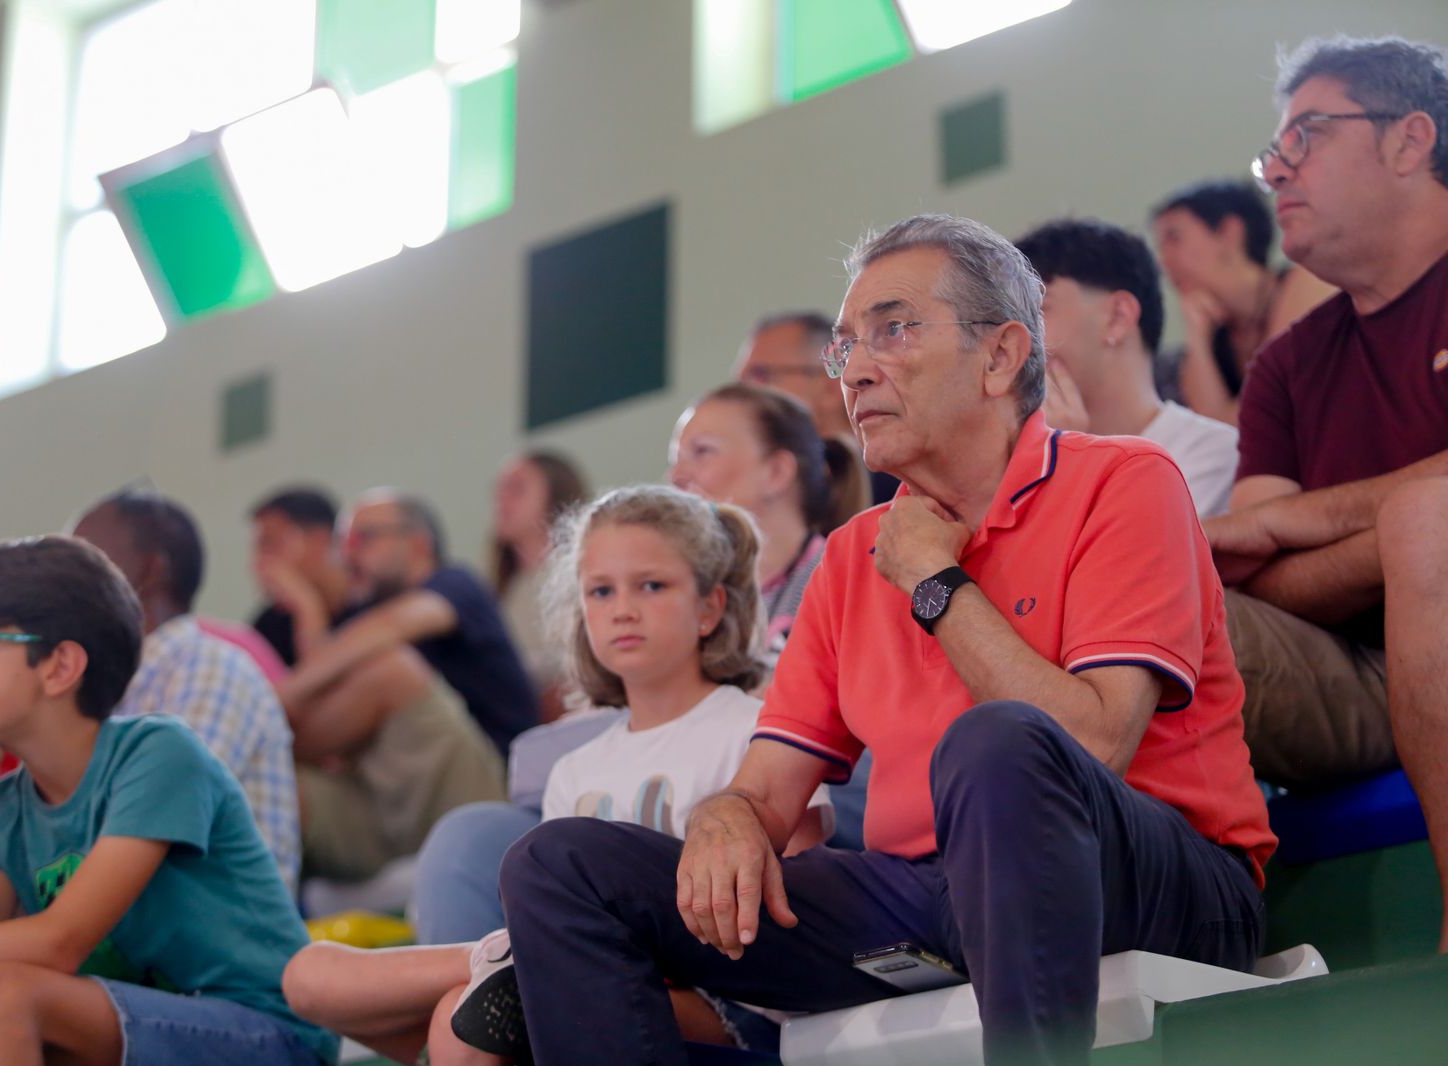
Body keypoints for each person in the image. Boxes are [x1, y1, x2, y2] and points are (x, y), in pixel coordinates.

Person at [495, 214, 1273, 1066]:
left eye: (893, 330)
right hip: (931, 901)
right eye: (844, 347)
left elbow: (1089, 744)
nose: (855, 371)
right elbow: (765, 794)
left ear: (1002, 355)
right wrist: (727, 817)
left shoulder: (1124, 483)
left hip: (1158, 879)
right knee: (559, 865)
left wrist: (936, 584)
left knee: (1000, 744)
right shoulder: (852, 556)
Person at [281, 486, 831, 1064]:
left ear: (709, 608)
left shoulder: (757, 732)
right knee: (310, 976)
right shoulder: (574, 771)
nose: (623, 608)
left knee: (461, 1017)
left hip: (728, 1003)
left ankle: (516, 956)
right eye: (601, 590)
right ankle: (512, 956)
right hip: (583, 973)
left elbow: (806, 910)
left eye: (652, 585)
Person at [0, 535, 335, 1066]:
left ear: (60, 666)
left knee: (4, 991)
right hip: (134, 1026)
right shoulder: (4, 803)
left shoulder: (157, 754)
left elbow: (58, 942)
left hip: (270, 1033)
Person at [1204, 35, 1448, 950]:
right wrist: (1386, 533)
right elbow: (1252, 577)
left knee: (1434, 523)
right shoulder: (1288, 365)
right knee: (1141, 592)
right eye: (1274, 148)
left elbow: (1268, 539)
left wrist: (1294, 520)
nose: (1276, 170)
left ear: (1408, 140)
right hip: (1355, 682)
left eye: (1306, 135)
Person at [280, 491, 524, 883]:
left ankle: (252, 733)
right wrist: (307, 607)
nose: (347, 556)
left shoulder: (455, 585)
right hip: (382, 803)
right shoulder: (359, 619)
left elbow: (392, 627)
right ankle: (251, 750)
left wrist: (275, 700)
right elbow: (320, 681)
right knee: (273, 780)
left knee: (393, 670)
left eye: (362, 539)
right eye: (343, 545)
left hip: (480, 792)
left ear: (418, 543)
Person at [72, 489, 301, 892]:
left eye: (84, 559)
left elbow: (152, 828)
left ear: (149, 571)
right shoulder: (112, 690)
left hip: (223, 943)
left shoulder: (208, 667)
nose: (64, 581)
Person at [1017, 218, 1239, 517]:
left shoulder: (1208, 453)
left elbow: (1133, 559)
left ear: (1118, 317)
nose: (1016, 338)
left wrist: (1068, 462)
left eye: (1037, 310)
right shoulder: (1012, 460)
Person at [670, 382, 868, 656]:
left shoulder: (847, 584)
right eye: (676, 459)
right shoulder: (696, 601)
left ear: (776, 472)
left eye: (702, 451)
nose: (677, 475)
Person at [1150, 180, 1334, 423]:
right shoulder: (1216, 331)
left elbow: (1265, 417)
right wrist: (1197, 335)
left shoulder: (1306, 284)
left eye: (1174, 238)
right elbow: (1213, 435)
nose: (1163, 261)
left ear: (1230, 232)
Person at [735, 312, 898, 504]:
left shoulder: (897, 490)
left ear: (832, 385)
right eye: (740, 383)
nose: (741, 395)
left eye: (761, 375)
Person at [488, 451, 589, 721]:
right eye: (499, 491)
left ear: (556, 495)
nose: (501, 501)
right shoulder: (501, 594)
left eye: (516, 489)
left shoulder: (586, 577)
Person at [247, 486, 351, 668]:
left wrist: (306, 605)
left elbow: (326, 683)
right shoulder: (270, 623)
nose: (259, 561)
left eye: (269, 543)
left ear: (320, 541)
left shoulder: (370, 604)